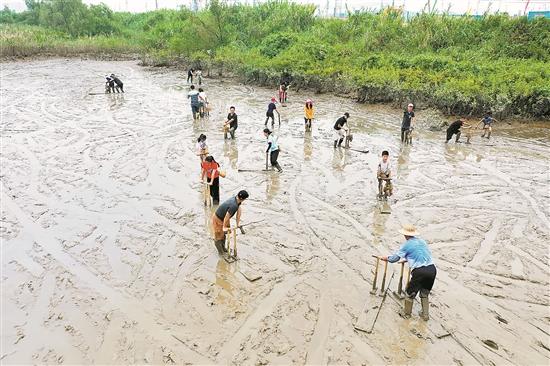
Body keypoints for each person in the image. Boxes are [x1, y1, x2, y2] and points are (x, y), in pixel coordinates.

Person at [380, 224, 436, 321]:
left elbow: (394, 259)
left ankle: (406, 314)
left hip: (420, 272)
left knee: (410, 293)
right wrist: (407, 259)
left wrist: (386, 258)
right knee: (424, 293)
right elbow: (421, 254)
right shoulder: (422, 241)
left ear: (405, 235)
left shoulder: (406, 245)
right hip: (432, 269)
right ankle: (425, 315)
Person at [211, 190, 249, 255]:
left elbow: (239, 211)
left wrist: (238, 224)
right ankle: (221, 253)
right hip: (218, 218)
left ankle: (223, 248)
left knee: (223, 235)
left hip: (223, 218)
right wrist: (224, 227)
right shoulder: (233, 205)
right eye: (245, 199)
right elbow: (227, 216)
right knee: (218, 236)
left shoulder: (237, 200)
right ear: (242, 199)